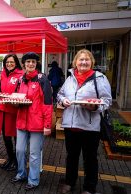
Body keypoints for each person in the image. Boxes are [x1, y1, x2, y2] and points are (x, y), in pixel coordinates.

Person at [57, 49, 112, 194]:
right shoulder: (70, 78)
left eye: (87, 59)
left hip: (89, 127)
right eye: (81, 59)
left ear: (92, 62)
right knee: (71, 157)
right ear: (75, 62)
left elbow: (107, 101)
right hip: (71, 126)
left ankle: (89, 188)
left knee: (90, 159)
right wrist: (63, 100)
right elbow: (60, 94)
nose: (84, 62)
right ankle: (69, 182)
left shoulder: (99, 78)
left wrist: (93, 106)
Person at [11, 52, 53, 191]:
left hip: (37, 123)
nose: (30, 64)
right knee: (19, 150)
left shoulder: (42, 80)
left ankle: (33, 180)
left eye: (33, 62)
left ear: (36, 64)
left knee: (34, 154)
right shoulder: (21, 80)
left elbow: (47, 103)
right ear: (24, 64)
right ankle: (21, 173)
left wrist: (47, 124)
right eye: (28, 61)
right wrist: (16, 102)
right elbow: (17, 97)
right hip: (22, 121)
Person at [0, 54, 24, 171]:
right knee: (6, 137)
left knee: (16, 137)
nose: (9, 64)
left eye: (12, 62)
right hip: (3, 110)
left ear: (16, 63)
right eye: (7, 62)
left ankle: (17, 161)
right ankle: (10, 158)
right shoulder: (2, 74)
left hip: (14, 110)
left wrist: (13, 97)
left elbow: (22, 91)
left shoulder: (21, 75)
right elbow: (0, 89)